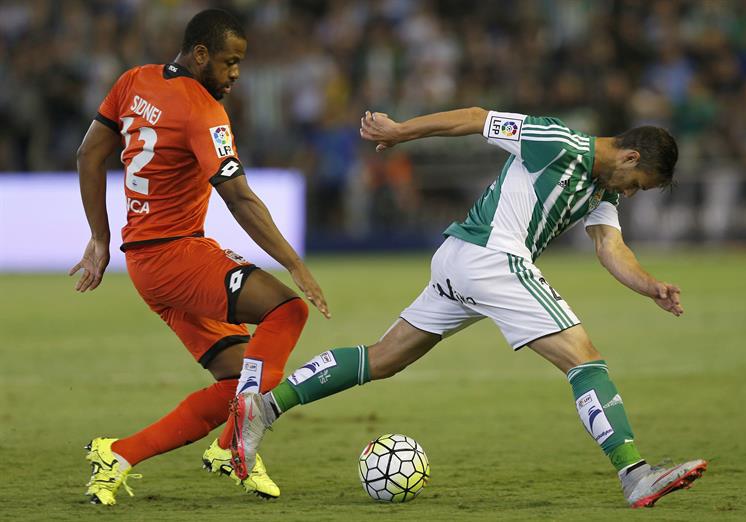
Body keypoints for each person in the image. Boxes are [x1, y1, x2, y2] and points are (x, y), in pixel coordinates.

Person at [229, 108, 707, 508]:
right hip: (492, 258)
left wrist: (650, 286)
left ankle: (263, 409)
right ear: (629, 156)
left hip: (460, 262)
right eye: (637, 184)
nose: (630, 193)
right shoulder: (557, 140)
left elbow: (610, 247)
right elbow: (478, 119)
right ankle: (636, 474)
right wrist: (399, 133)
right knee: (584, 358)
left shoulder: (601, 188)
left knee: (383, 358)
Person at [71, 9, 329, 506]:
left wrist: (99, 240)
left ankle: (119, 454)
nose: (235, 74)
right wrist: (296, 266)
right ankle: (237, 444)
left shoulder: (133, 81)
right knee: (288, 309)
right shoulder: (202, 109)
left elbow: (88, 155)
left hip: (146, 261)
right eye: (230, 62)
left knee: (237, 381)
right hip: (176, 254)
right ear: (201, 54)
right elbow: (239, 197)